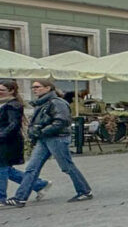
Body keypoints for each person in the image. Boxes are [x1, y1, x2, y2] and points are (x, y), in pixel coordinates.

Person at [4, 79, 91, 207]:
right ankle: (20, 198)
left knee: (67, 166)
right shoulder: (41, 103)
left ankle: (84, 191)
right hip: (44, 139)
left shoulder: (57, 103)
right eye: (33, 87)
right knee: (32, 168)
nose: (34, 89)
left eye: (38, 87)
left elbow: (61, 121)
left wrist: (42, 131)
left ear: (48, 88)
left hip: (57, 138)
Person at [0, 80, 51, 204]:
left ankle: (1, 198)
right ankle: (39, 184)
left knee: (2, 168)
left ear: (11, 91)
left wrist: (2, 135)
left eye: (2, 90)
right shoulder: (3, 104)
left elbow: (14, 124)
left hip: (8, 141)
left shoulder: (13, 105)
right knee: (6, 169)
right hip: (5, 140)